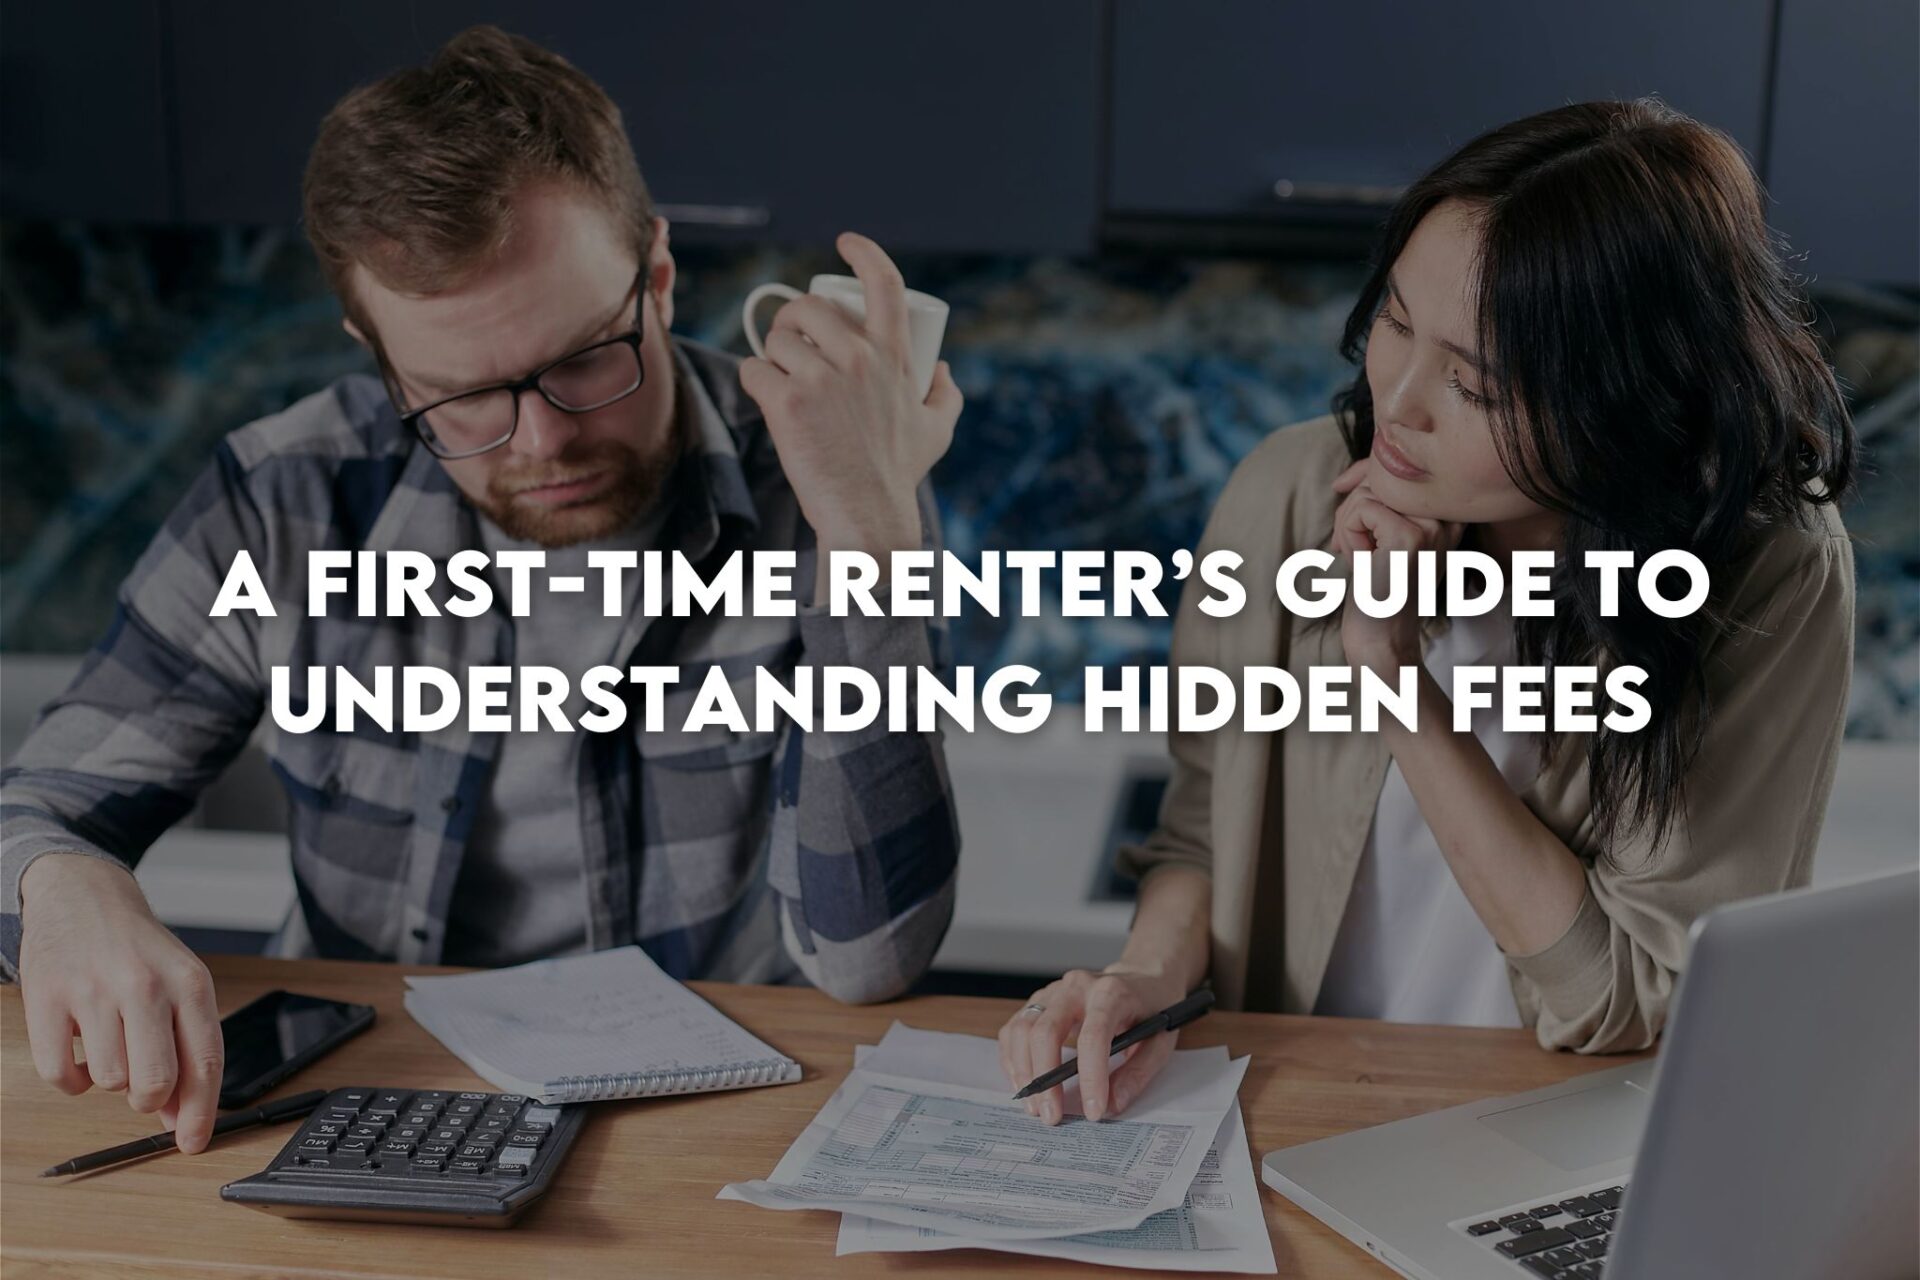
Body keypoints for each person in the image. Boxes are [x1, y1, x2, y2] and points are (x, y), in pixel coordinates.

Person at [1, 27, 963, 1153]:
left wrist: (870, 542)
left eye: (586, 358)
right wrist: (68, 884)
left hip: (704, 1121)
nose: (545, 439)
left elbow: (871, 957)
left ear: (655, 275)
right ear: (375, 350)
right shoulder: (286, 496)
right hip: (364, 1108)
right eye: (459, 397)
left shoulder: (831, 477)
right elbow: (37, 807)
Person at [1001, 98, 1856, 1125]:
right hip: (1293, 1119)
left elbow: (1624, 995)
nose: (1398, 401)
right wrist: (1143, 977)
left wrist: (1393, 672)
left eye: (1475, 383)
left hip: (1560, 1144)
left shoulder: (1766, 575)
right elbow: (1202, 829)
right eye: (1395, 321)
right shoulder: (1289, 491)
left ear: (1618, 404)